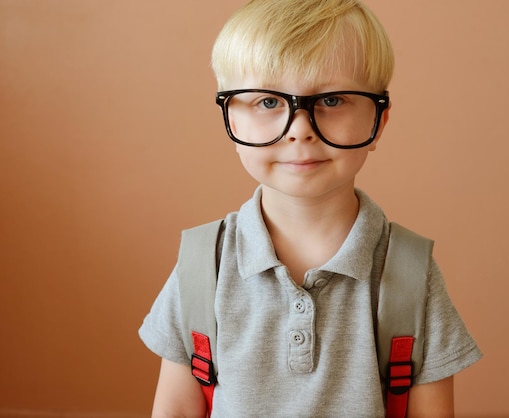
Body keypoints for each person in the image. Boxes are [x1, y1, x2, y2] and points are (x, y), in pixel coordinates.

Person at [139, 0, 482, 416]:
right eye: (268, 102)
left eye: (333, 100)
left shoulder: (410, 271)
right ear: (231, 118)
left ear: (378, 121)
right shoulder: (201, 264)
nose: (300, 129)